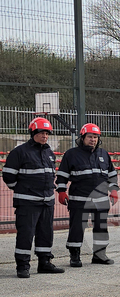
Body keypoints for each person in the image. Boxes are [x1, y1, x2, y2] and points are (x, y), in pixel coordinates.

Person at [2, 117, 64, 278]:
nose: (45, 136)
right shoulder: (20, 152)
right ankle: (22, 266)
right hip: (27, 203)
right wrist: (22, 190)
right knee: (26, 234)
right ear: (33, 133)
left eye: (47, 133)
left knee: (46, 233)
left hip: (47, 202)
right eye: (41, 133)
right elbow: (8, 176)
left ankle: (44, 263)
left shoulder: (49, 153)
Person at [56, 123, 119, 266]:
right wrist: (61, 191)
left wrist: (114, 190)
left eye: (95, 137)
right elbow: (62, 175)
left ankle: (99, 255)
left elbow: (111, 174)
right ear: (82, 137)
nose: (93, 140)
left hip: (101, 200)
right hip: (79, 199)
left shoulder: (103, 154)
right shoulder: (71, 154)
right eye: (90, 136)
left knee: (101, 228)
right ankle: (75, 255)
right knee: (77, 228)